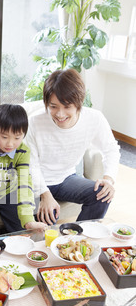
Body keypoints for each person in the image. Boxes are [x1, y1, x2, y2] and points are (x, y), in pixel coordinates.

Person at [26, 69, 121, 225]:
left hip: (66, 179)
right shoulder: (34, 122)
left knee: (102, 194)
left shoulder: (94, 119)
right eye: (53, 106)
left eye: (67, 106)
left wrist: (108, 178)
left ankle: (78, 238)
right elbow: (31, 164)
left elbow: (111, 149)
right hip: (36, 182)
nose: (60, 114)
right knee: (44, 224)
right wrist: (45, 194)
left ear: (78, 103)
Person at [0, 104, 47, 238]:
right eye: (4, 137)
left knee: (23, 232)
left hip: (8, 193)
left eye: (17, 137)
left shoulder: (23, 151)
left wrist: (28, 219)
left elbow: (24, 184)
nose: (10, 144)